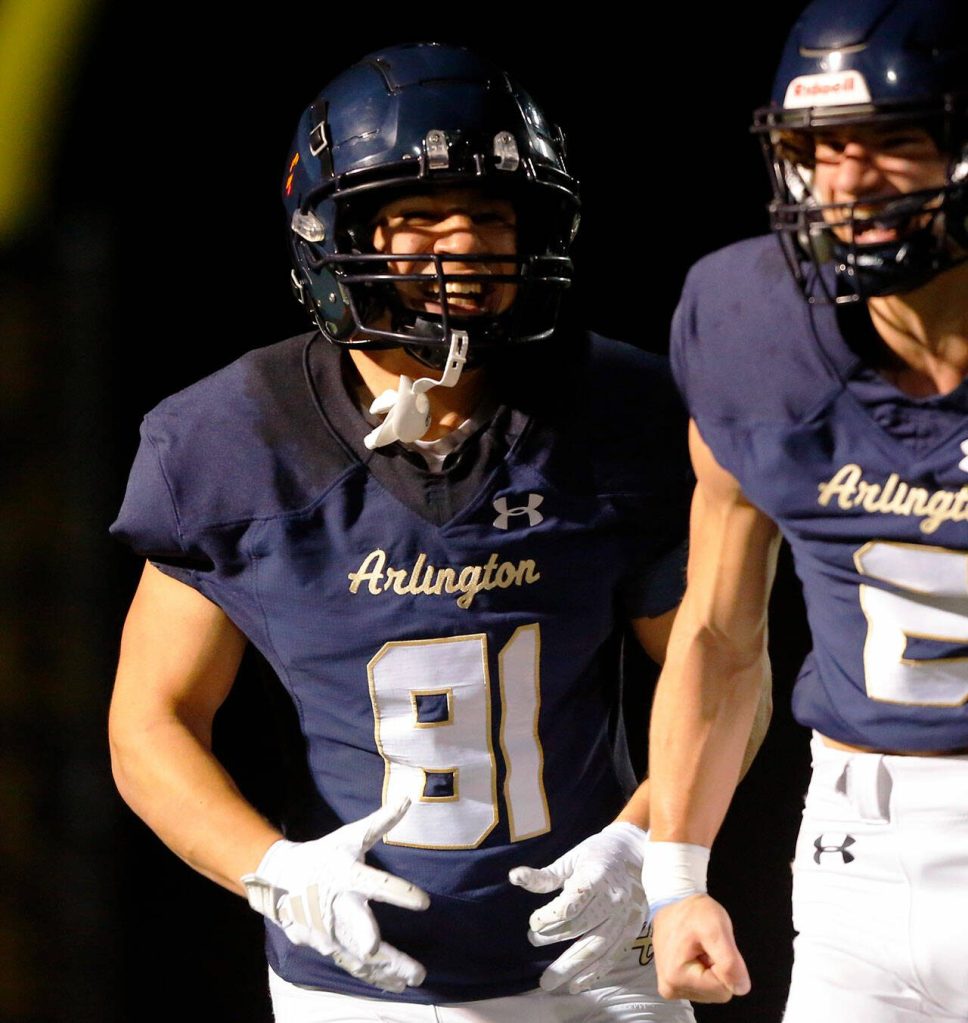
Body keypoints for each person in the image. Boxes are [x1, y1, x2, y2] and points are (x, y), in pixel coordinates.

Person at [107, 42, 701, 1021]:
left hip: (599, 953)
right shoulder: (227, 436)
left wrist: (650, 841)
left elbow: (713, 669)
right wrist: (272, 872)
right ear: (330, 230)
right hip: (356, 977)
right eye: (419, 217)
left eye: (491, 216)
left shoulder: (623, 410)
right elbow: (151, 718)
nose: (461, 248)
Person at [642, 1, 968, 1021]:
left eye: (891, 143)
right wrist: (674, 880)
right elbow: (719, 628)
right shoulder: (749, 323)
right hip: (850, 857)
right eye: (819, 147)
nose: (847, 181)